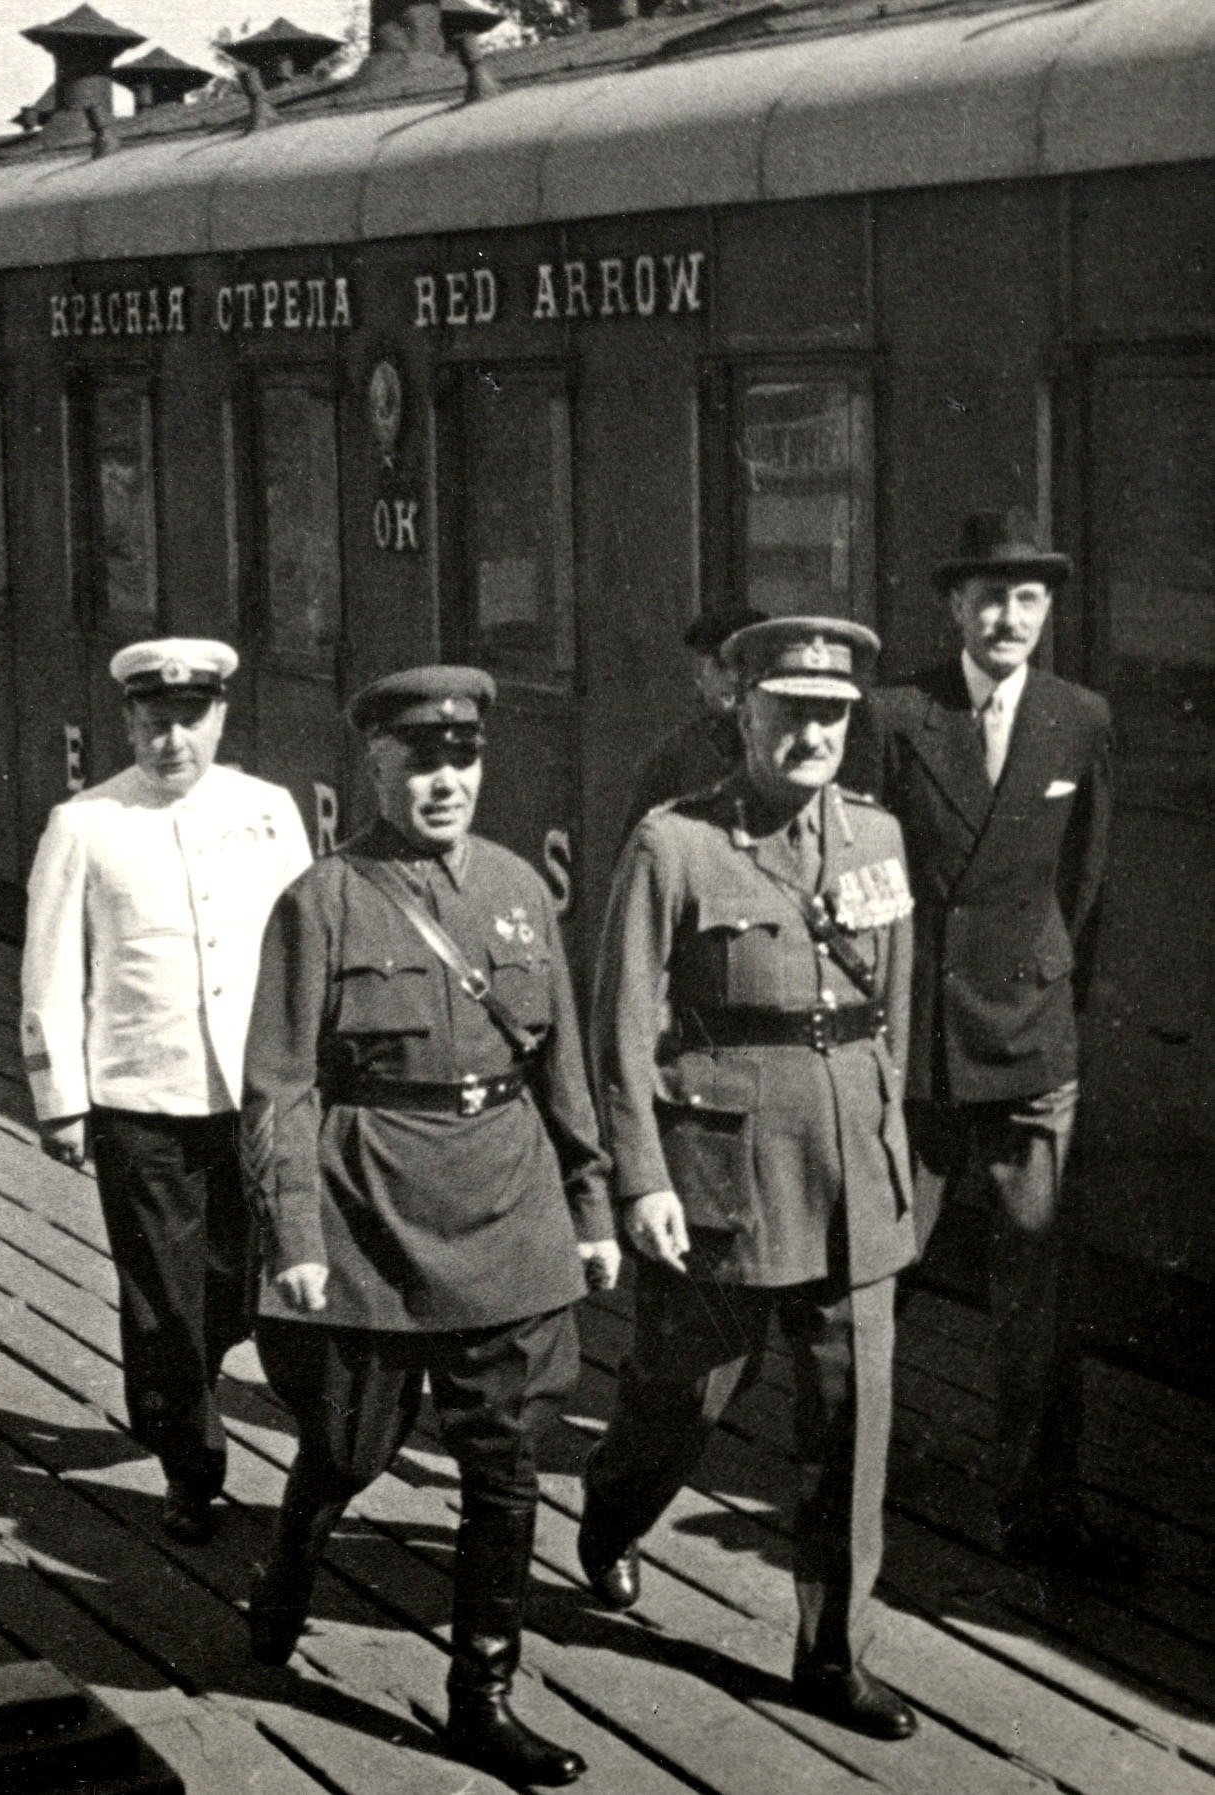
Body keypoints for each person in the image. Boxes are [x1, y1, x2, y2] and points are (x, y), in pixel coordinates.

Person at [241, 666, 617, 1787]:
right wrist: (295, 1234)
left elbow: (563, 1067)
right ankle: (287, 1573)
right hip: (373, 1211)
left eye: (463, 760)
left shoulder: (516, 889)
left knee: (505, 1462)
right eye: (421, 761)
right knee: (351, 1447)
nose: (445, 780)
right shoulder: (323, 898)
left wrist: (589, 1205)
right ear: (378, 766)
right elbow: (279, 1086)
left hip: (506, 1200)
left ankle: (480, 1694)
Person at [580, 616, 920, 1743]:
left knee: (851, 1421)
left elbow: (892, 1016)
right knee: (682, 1399)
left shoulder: (876, 838)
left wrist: (887, 1151)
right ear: (743, 712)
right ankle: (609, 1512)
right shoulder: (673, 844)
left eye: (831, 713)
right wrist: (641, 1178)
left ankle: (832, 1653)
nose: (812, 732)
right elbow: (621, 1025)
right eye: (790, 711)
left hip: (851, 1177)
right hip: (721, 1176)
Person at [851, 510, 1129, 1578]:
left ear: (1046, 610)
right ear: (952, 607)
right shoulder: (894, 715)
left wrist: (1059, 1008)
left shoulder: (1078, 718)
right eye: (989, 597)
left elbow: (1086, 885)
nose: (1008, 616)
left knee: (1037, 1296)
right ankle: (848, 1494)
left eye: (1028, 598)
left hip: (1027, 1042)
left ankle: (1036, 1510)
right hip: (916, 1044)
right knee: (882, 1276)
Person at [19, 638, 311, 1542]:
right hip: (139, 1097)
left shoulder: (268, 810)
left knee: (229, 1287)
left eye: (190, 721)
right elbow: (49, 970)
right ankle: (190, 1463)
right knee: (162, 1296)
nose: (172, 741)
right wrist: (60, 1096)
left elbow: (307, 955)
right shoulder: (85, 823)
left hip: (252, 1096)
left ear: (220, 716)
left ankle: (194, 1381)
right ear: (129, 723)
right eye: (154, 724)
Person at [623, 604, 768, 831]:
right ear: (700, 676)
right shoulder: (672, 757)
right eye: (721, 665)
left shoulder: (780, 744)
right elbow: (638, 848)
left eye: (742, 666)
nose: (732, 678)